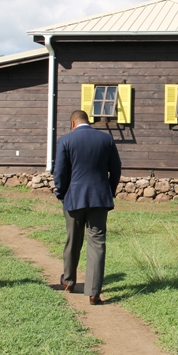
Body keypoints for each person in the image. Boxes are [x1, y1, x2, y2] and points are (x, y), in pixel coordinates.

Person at [53, 110, 121, 305]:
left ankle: (69, 280)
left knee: (73, 240)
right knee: (97, 243)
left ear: (73, 123)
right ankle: (93, 292)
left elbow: (60, 172)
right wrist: (110, 190)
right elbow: (115, 169)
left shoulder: (65, 141)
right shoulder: (106, 140)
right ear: (87, 121)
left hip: (73, 199)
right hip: (99, 199)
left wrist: (62, 193)